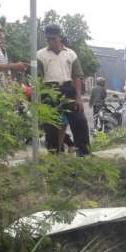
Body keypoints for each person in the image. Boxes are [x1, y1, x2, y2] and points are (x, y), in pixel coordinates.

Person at [36, 24, 90, 155]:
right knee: (51, 126)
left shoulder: (71, 54)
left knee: (80, 121)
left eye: (53, 38)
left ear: (60, 37)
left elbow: (77, 76)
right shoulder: (40, 54)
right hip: (49, 91)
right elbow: (37, 79)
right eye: (48, 38)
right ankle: (54, 155)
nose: (50, 41)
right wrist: (38, 99)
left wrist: (78, 97)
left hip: (68, 89)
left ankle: (84, 153)